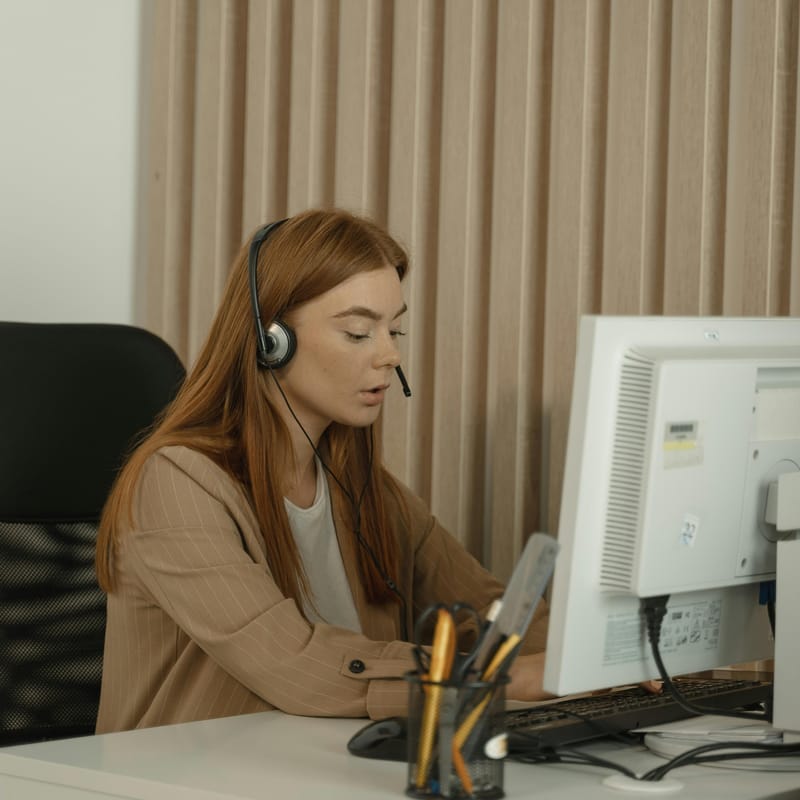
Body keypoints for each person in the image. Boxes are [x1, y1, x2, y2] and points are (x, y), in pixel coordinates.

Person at [94, 208, 549, 733]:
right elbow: (293, 664)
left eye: (394, 329)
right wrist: (502, 678)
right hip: (182, 776)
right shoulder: (177, 485)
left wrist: (601, 660)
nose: (390, 354)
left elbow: (490, 614)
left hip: (319, 764)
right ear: (272, 343)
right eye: (358, 333)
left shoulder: (364, 492)